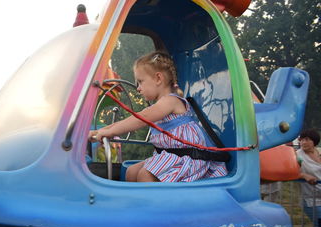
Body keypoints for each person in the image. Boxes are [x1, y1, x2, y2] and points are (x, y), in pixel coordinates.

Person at [89, 51, 227, 182]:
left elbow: (139, 119)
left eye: (140, 82)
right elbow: (132, 119)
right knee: (131, 171)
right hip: (171, 156)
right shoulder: (160, 105)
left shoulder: (170, 101)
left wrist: (108, 132)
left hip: (189, 159)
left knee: (145, 175)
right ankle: (137, 204)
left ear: (158, 78)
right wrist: (101, 131)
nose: (138, 88)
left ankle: (153, 206)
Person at [296, 129, 321, 227]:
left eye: (307, 139)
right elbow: (290, 171)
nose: (303, 142)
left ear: (314, 142)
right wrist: (304, 175)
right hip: (310, 198)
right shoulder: (297, 156)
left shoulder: (319, 152)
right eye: (302, 139)